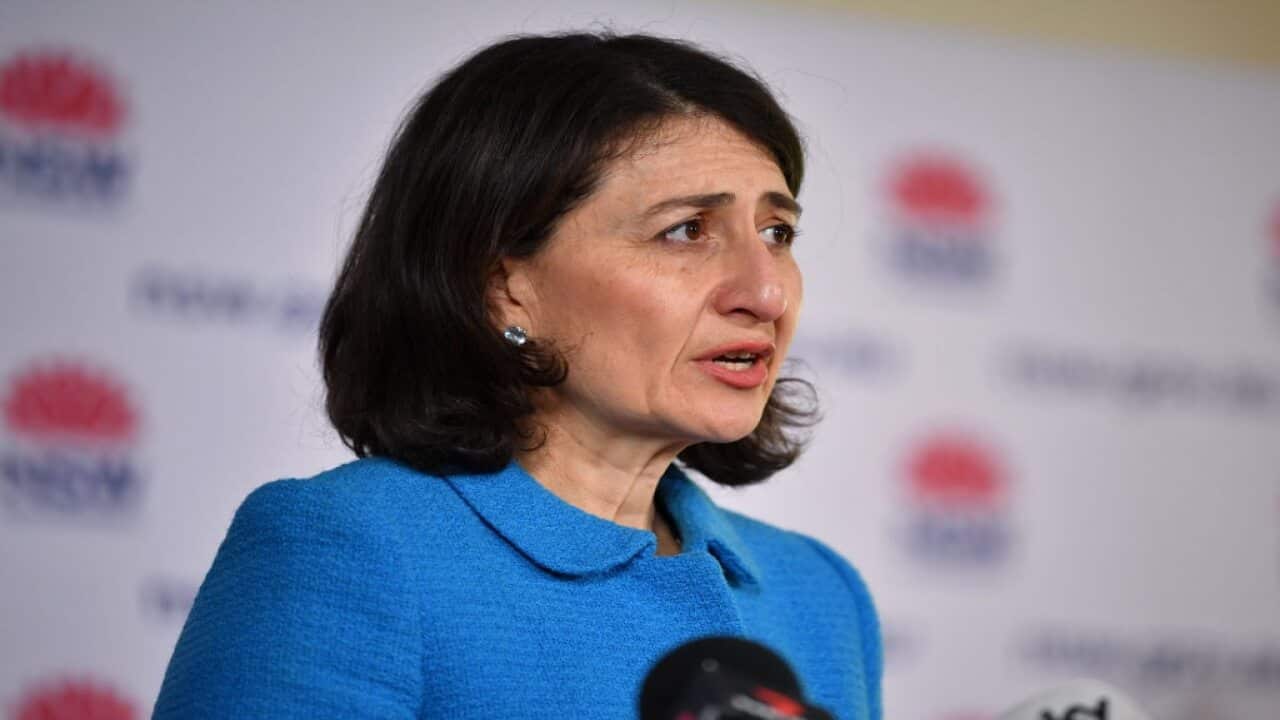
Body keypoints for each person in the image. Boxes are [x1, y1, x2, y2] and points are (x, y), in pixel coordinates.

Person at [152, 31, 882, 719]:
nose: (767, 293)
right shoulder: (349, 551)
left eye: (777, 233)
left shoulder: (819, 594)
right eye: (687, 230)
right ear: (504, 287)